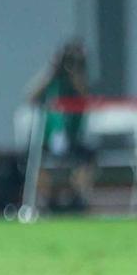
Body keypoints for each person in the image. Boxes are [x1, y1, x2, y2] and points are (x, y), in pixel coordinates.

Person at [25, 40, 94, 213]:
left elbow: (85, 95)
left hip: (72, 138)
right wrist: (52, 70)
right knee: (34, 158)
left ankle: (79, 201)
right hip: (49, 138)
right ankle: (45, 201)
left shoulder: (77, 83)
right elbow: (30, 96)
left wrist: (75, 72)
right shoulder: (52, 83)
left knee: (86, 160)